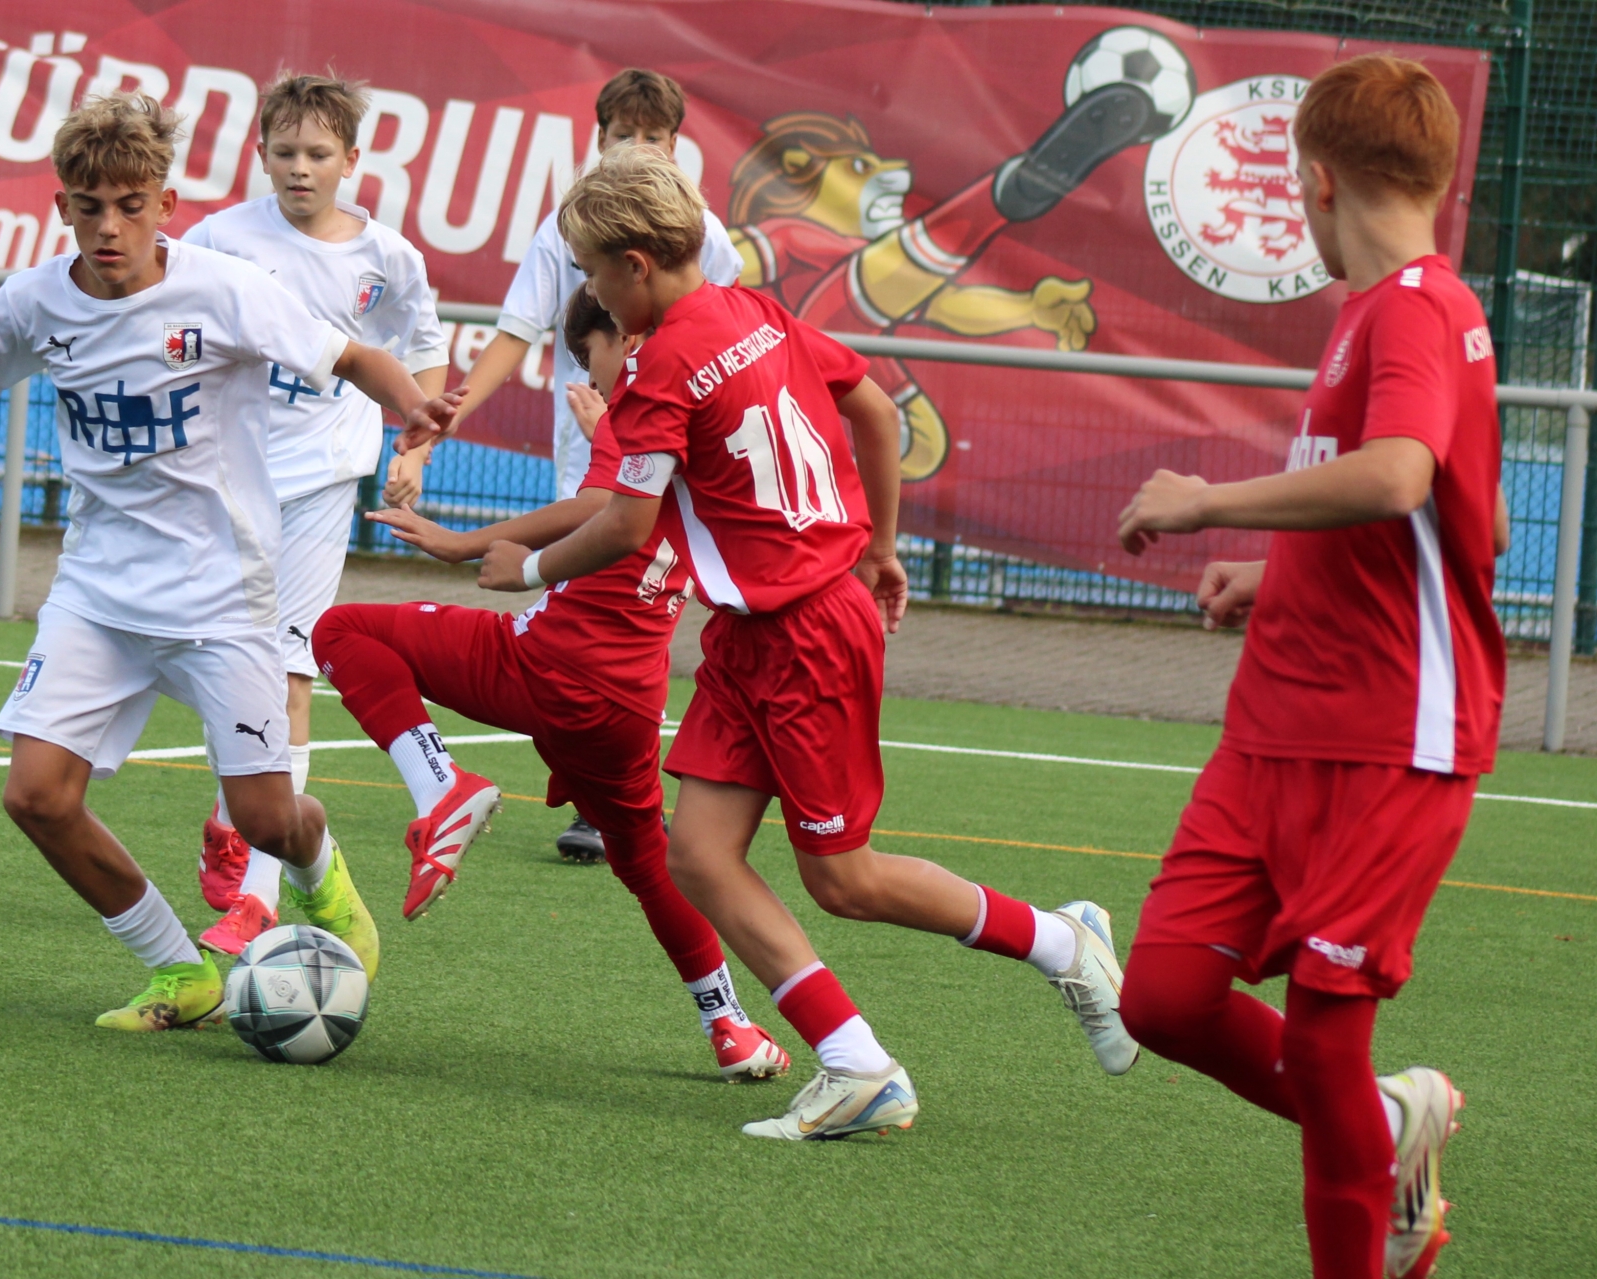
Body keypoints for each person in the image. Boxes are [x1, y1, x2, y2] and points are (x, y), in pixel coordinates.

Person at [474, 145, 1139, 1141]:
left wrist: (525, 568)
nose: (593, 294)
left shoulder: (658, 364)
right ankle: (856, 1065)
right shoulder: (755, 310)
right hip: (760, 632)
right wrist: (882, 545)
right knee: (700, 853)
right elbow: (872, 404)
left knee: (844, 878)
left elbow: (624, 523)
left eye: (594, 272)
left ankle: (1060, 940)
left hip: (806, 636)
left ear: (637, 264)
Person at [0, 93, 457, 1025]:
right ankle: (180, 968)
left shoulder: (226, 289)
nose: (109, 228)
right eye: (89, 207)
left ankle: (320, 869)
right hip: (98, 592)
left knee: (266, 821)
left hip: (223, 597)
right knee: (37, 796)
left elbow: (352, 356)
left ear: (165, 205)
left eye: (130, 207)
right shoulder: (35, 300)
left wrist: (412, 405)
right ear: (62, 207)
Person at [1113, 55, 1504, 1279]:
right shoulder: (1382, 311)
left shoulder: (1416, 308)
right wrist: (1276, 572)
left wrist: (1203, 503)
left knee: (1329, 1041)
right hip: (1273, 728)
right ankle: (1384, 1126)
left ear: (1319, 180)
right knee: (1162, 998)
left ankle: (1373, 1211)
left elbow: (1398, 476)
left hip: (1389, 742)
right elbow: (1470, 520)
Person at [308, 281, 790, 1079]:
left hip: (552, 664)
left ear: (627, 337)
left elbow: (601, 500)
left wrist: (463, 542)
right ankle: (730, 1022)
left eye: (589, 355)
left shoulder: (640, 401)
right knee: (647, 862)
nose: (590, 377)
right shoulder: (715, 415)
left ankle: (442, 789)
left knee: (342, 630)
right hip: (631, 700)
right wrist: (606, 434)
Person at [428, 67, 742, 864]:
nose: (636, 147)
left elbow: (731, 333)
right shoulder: (562, 227)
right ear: (597, 140)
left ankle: (618, 800)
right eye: (621, 134)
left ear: (676, 147)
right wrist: (446, 416)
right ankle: (603, 802)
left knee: (638, 624)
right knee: (580, 630)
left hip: (667, 469)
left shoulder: (703, 233)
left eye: (653, 136)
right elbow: (516, 329)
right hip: (591, 464)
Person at [179, 71, 451, 956]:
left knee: (289, 671)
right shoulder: (218, 240)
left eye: (319, 153)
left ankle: (255, 896)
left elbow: (425, 356)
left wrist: (412, 450)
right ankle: (235, 816)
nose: (302, 168)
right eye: (287, 151)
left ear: (351, 160)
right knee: (222, 662)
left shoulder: (389, 258)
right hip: (227, 479)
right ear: (261, 154)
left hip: (326, 481)